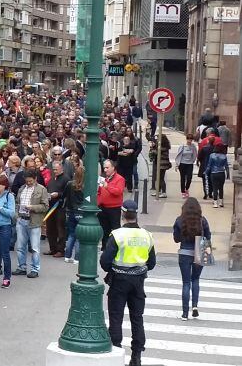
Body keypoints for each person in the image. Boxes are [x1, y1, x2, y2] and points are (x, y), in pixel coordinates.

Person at [100, 200, 156, 366]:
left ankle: (116, 351)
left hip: (119, 280)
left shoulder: (117, 235)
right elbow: (151, 263)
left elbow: (105, 262)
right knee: (137, 318)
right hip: (138, 281)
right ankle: (137, 356)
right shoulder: (147, 235)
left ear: (123, 214)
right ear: (136, 215)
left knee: (116, 317)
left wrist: (116, 269)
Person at [172, 197, 211, 321]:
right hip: (199, 252)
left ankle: (184, 313)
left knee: (186, 282)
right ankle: (195, 306)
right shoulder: (202, 221)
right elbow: (208, 237)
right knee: (195, 279)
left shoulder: (179, 220)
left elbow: (176, 239)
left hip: (184, 253)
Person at [13, 170, 49, 278]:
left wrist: (32, 207)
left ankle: (35, 269)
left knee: (34, 247)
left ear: (35, 179)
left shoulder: (41, 189)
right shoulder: (21, 189)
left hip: (33, 221)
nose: (28, 183)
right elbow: (17, 203)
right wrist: (17, 215)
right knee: (20, 246)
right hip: (21, 219)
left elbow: (45, 206)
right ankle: (21, 267)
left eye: (30, 181)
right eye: (27, 181)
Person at [97, 159, 125, 250]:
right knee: (105, 230)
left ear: (113, 168)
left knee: (115, 229)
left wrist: (107, 186)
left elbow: (118, 191)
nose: (105, 170)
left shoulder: (120, 179)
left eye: (107, 168)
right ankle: (105, 247)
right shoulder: (104, 179)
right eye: (104, 168)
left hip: (114, 208)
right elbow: (100, 193)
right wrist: (98, 202)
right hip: (103, 208)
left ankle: (116, 247)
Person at [45, 160, 69, 258]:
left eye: (56, 169)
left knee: (60, 229)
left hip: (60, 207)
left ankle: (60, 249)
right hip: (51, 206)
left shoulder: (66, 179)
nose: (55, 171)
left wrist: (58, 194)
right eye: (53, 169)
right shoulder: (52, 179)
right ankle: (53, 248)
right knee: (50, 228)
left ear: (61, 168)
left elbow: (67, 193)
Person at [63, 165, 85, 264]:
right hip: (82, 212)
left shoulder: (70, 184)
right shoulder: (86, 186)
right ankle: (77, 258)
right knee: (80, 237)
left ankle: (67, 256)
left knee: (72, 234)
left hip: (72, 211)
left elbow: (64, 196)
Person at [174, 134, 198, 198]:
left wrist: (193, 161)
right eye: (188, 139)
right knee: (183, 178)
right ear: (186, 139)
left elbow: (195, 154)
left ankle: (187, 189)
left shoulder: (193, 146)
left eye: (191, 139)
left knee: (189, 178)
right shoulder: (182, 146)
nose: (189, 141)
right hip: (182, 164)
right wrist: (177, 165)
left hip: (189, 164)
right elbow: (179, 155)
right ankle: (183, 192)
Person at [149, 134, 171, 198]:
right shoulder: (161, 146)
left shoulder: (163, 147)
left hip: (162, 164)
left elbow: (156, 152)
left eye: (158, 139)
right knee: (158, 178)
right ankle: (158, 191)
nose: (157, 140)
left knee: (161, 178)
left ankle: (164, 192)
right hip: (159, 163)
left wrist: (152, 148)